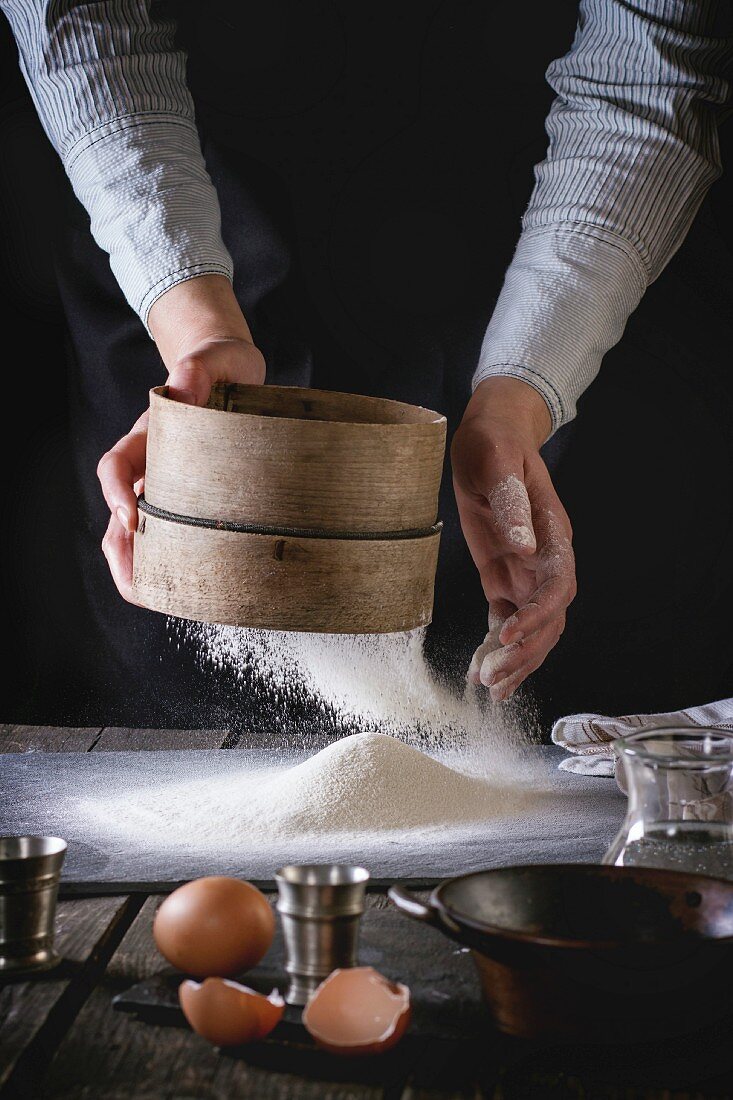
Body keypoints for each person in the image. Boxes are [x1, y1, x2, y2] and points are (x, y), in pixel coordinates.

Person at [1, 1, 731, 724]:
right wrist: (196, 331)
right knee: (179, 680)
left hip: (510, 265)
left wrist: (516, 401)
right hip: (179, 241)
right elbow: (82, 21)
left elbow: (645, 79)